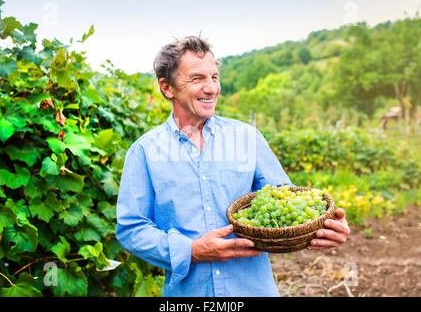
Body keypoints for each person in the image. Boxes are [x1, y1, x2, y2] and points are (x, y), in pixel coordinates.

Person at [115, 36, 350, 297]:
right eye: (197, 79)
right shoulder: (144, 152)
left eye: (214, 77)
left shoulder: (248, 138)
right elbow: (131, 228)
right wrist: (190, 251)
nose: (211, 88)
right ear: (167, 87)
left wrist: (322, 226)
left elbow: (285, 201)